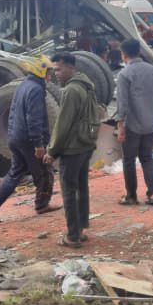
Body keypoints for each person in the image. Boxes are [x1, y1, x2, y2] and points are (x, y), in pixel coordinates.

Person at [0, 57, 58, 221]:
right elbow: (34, 118)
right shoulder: (36, 89)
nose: (50, 75)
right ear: (40, 71)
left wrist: (13, 136)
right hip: (29, 140)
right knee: (44, 171)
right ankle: (42, 205)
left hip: (16, 137)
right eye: (48, 72)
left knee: (15, 172)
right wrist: (38, 144)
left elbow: (13, 113)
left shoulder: (23, 85)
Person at [44, 53, 100, 248]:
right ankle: (81, 228)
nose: (56, 74)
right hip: (86, 144)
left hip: (73, 148)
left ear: (70, 67)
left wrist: (51, 151)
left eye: (59, 69)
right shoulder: (86, 84)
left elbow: (63, 125)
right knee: (82, 187)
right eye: (54, 70)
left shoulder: (71, 90)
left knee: (69, 191)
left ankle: (73, 236)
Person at [115, 39, 153, 206]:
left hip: (132, 125)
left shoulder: (125, 74)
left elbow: (122, 104)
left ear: (124, 54)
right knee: (147, 157)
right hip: (151, 123)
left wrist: (120, 126)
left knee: (129, 160)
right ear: (139, 51)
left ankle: (131, 196)